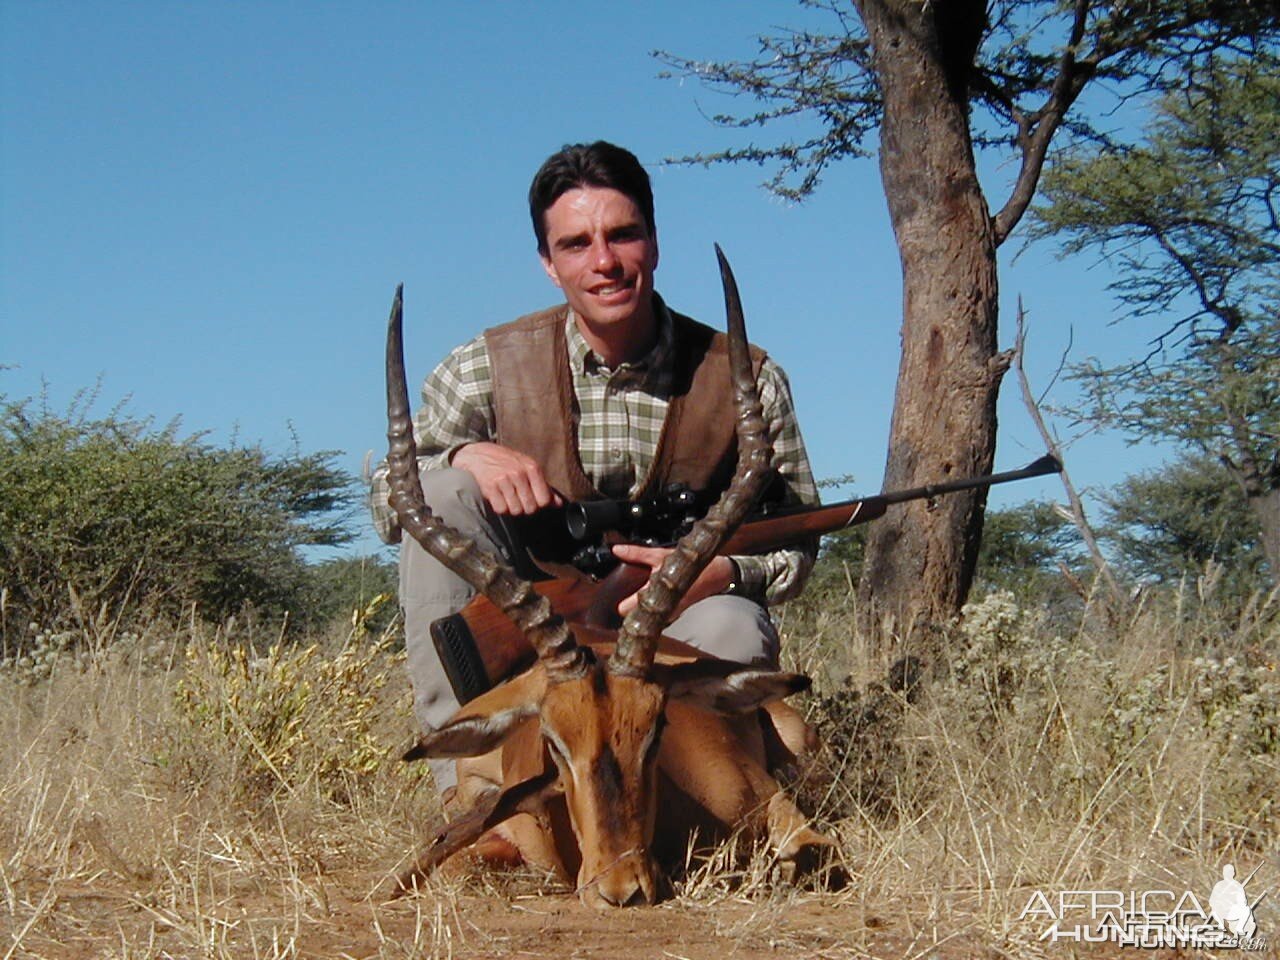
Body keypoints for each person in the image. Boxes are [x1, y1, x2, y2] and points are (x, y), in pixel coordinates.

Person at [370, 141, 818, 791]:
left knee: (733, 622)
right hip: (540, 619)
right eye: (577, 244)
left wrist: (720, 571)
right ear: (548, 265)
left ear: (655, 244)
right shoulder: (486, 364)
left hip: (673, 621)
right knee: (439, 490)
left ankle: (693, 799)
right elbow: (392, 497)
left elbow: (799, 538)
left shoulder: (747, 374)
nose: (604, 262)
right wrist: (465, 453)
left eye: (623, 236)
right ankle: (466, 786)